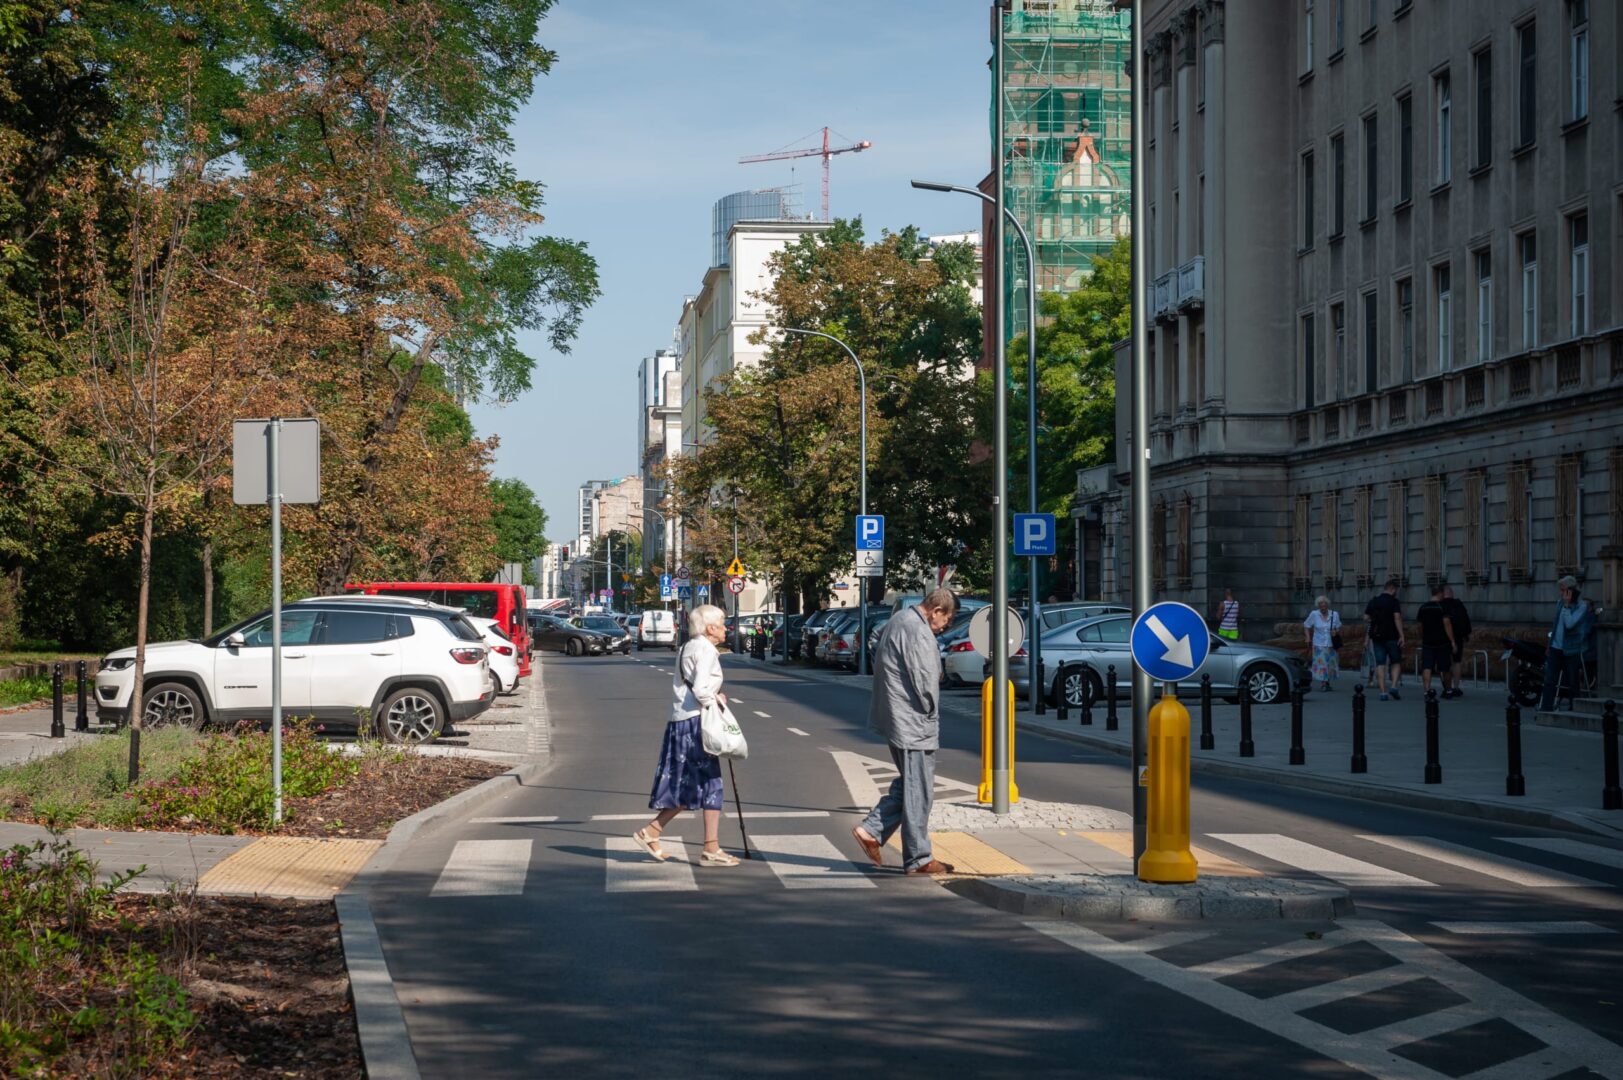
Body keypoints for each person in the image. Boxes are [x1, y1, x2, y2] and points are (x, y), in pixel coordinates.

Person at [851, 588, 959, 875]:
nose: (946, 625)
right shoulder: (917, 630)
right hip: (913, 720)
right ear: (936, 610)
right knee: (920, 789)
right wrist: (931, 710)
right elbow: (925, 678)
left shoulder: (898, 620)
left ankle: (872, 831)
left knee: (912, 784)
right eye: (946, 618)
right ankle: (918, 857)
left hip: (896, 715)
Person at [631, 604, 739, 867]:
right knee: (707, 784)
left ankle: (656, 832)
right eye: (722, 624)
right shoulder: (705, 650)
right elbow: (702, 690)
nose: (725, 629)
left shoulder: (688, 647)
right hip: (696, 723)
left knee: (691, 786)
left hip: (682, 721)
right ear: (710, 628)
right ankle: (707, 849)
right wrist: (717, 698)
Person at [1540, 576, 1593, 713]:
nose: (1560, 592)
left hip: (1572, 649)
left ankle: (1574, 709)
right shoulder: (1560, 603)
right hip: (1555, 648)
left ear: (1570, 591)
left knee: (1572, 681)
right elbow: (1555, 624)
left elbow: (1569, 624)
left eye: (1563, 590)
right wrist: (1549, 644)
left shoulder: (1581, 606)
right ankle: (1546, 709)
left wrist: (1567, 606)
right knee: (1550, 679)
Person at [1364, 578, 1405, 701]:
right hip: (1392, 636)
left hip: (1377, 637)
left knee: (1380, 664)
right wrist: (1401, 635)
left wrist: (1376, 620)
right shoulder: (1394, 601)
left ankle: (1382, 692)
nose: (1396, 592)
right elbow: (1397, 617)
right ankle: (1393, 686)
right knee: (1396, 662)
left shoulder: (1374, 601)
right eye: (1396, 590)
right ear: (1392, 589)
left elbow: (1365, 617)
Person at [1415, 584, 1455, 699]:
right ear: (1440, 593)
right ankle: (1448, 690)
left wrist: (1423, 636)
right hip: (1442, 642)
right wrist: (1452, 641)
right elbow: (1447, 624)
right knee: (1445, 668)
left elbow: (1420, 626)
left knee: (1427, 666)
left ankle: (1426, 690)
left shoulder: (1423, 607)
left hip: (1427, 642)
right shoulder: (1442, 607)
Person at [1302, 597, 1342, 692]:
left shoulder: (1334, 614)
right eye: (1321, 606)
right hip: (1319, 643)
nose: (1323, 608)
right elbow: (1306, 625)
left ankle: (1327, 681)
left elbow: (1339, 626)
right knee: (1322, 663)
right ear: (1318, 606)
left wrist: (1336, 631)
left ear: (1327, 605)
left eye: (1324, 606)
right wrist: (1307, 637)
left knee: (1330, 663)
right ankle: (1323, 683)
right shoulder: (1314, 614)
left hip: (1331, 643)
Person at [1441, 585, 1473, 699]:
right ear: (1451, 594)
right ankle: (1456, 687)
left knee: (1445, 663)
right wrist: (1466, 634)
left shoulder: (1441, 605)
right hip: (1458, 637)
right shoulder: (1458, 604)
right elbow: (1466, 620)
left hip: (1443, 637)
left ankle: (1447, 687)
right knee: (1457, 662)